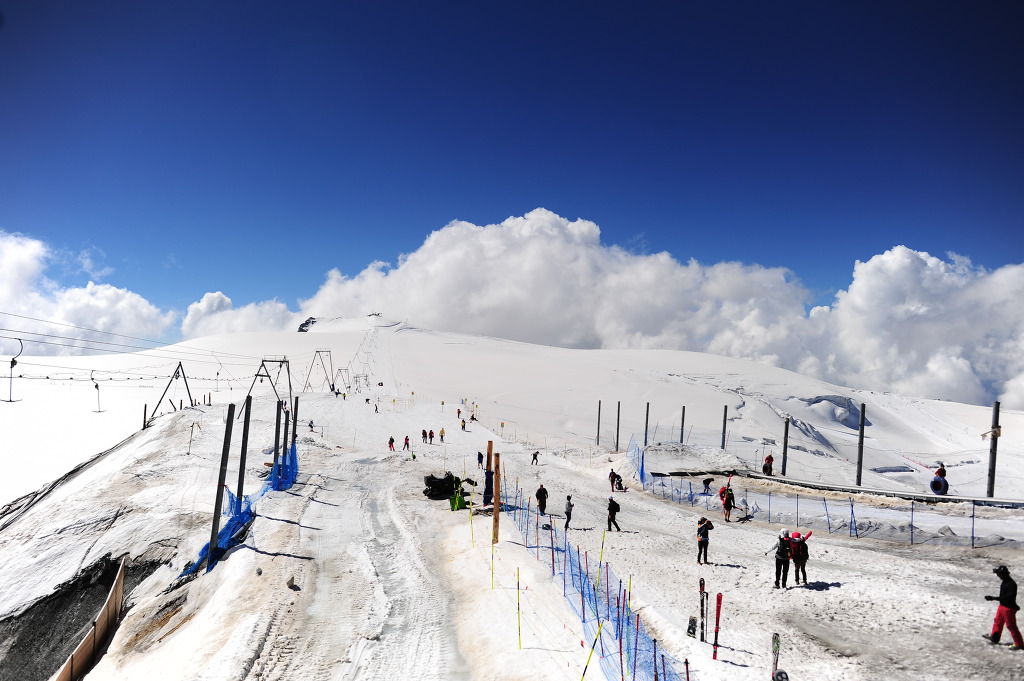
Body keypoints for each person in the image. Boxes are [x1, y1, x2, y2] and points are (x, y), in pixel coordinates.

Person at [984, 565, 1023, 649]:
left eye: (998, 574)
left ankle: (1019, 644)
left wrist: (993, 598)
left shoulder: (1011, 584)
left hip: (1009, 608)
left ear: (1003, 574)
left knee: (1011, 626)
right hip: (1002, 606)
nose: (997, 576)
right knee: (998, 621)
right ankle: (995, 637)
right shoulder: (1005, 581)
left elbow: (1008, 598)